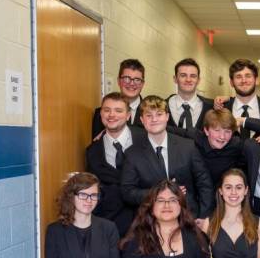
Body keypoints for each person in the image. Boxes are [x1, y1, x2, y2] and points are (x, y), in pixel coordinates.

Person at [121, 95, 214, 220]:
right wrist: (158, 192)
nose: (154, 119)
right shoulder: (132, 153)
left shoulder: (188, 146)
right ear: (142, 120)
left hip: (187, 217)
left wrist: (203, 217)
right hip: (151, 221)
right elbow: (127, 192)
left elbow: (204, 184)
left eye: (159, 114)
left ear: (167, 117)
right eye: (149, 115)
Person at [86, 92, 146, 237]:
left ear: (128, 115)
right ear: (101, 114)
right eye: (106, 110)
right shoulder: (92, 151)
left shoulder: (146, 139)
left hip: (146, 224)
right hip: (111, 228)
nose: (111, 115)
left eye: (118, 110)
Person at [213, 59, 260, 140]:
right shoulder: (221, 108)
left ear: (256, 80)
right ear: (231, 82)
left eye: (248, 76)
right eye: (238, 76)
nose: (244, 80)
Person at [91, 59, 145, 137]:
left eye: (137, 80)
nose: (132, 83)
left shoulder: (153, 114)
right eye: (126, 78)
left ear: (142, 84)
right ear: (118, 81)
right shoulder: (101, 115)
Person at [166, 58, 214, 131]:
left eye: (193, 76)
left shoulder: (211, 107)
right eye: (183, 75)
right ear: (175, 79)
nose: (188, 80)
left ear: (198, 80)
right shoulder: (162, 107)